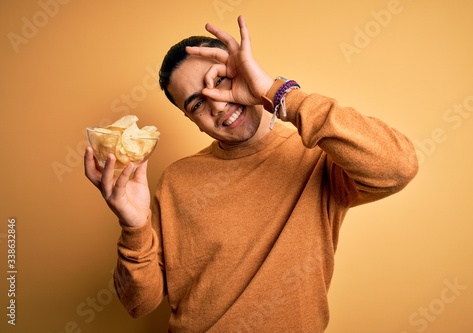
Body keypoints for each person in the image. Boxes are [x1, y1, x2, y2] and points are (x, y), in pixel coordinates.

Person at [84, 15, 418, 332]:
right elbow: (139, 304)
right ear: (192, 121)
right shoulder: (176, 180)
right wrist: (134, 226)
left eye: (220, 81)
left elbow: (398, 166)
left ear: (243, 71)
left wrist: (279, 93)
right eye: (196, 104)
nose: (216, 103)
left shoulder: (317, 156)